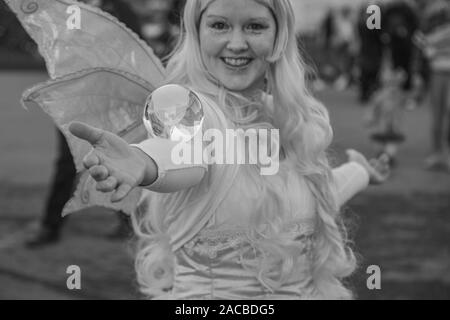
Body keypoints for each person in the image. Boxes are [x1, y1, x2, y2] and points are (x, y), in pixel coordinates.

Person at [68, 0, 389, 299]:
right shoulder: (188, 109)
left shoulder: (290, 119)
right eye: (220, 26)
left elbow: (308, 194)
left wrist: (360, 171)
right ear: (197, 34)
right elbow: (181, 152)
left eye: (254, 26)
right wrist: (143, 161)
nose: (236, 43)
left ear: (279, 36)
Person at [25, 0, 144, 248]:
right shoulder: (66, 9)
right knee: (67, 163)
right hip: (74, 102)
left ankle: (128, 221)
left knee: (116, 158)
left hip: (110, 101)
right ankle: (50, 226)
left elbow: (135, 50)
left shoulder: (118, 9)